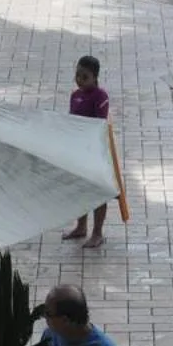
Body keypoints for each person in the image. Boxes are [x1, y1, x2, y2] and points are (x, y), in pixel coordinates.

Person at [62, 54, 113, 248]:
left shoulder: (100, 96)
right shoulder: (75, 96)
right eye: (77, 75)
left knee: (98, 191)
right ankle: (81, 226)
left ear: (95, 77)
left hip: (95, 151)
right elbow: (71, 120)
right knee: (80, 188)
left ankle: (97, 232)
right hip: (78, 151)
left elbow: (100, 124)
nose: (80, 80)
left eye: (85, 77)